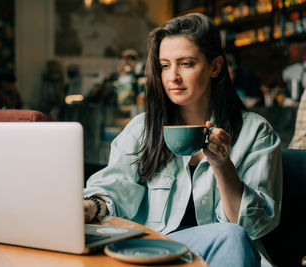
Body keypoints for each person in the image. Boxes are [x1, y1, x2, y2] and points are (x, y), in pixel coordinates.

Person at [83, 13, 282, 267]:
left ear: (215, 67)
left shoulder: (255, 131)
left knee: (231, 235)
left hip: (223, 255)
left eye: (186, 63)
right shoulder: (143, 129)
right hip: (154, 252)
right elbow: (114, 187)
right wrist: (90, 206)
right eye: (165, 65)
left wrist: (223, 166)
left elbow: (252, 227)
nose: (172, 76)